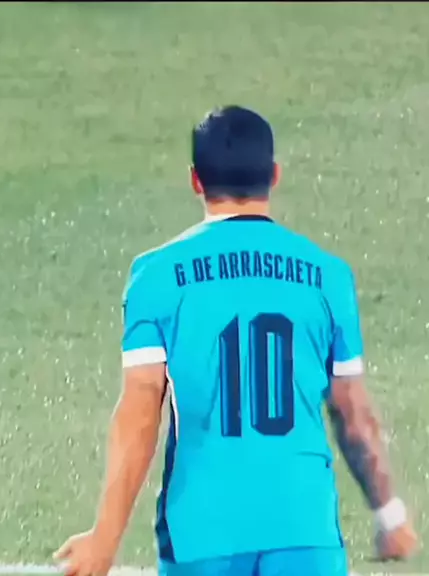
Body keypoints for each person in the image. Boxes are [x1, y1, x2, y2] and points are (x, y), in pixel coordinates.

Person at [55, 106, 418, 576]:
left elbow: (141, 412)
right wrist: (389, 514)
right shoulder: (328, 276)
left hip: (202, 535)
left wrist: (105, 539)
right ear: (274, 175)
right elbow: (353, 413)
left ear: (196, 180)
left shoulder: (156, 276)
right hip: (304, 530)